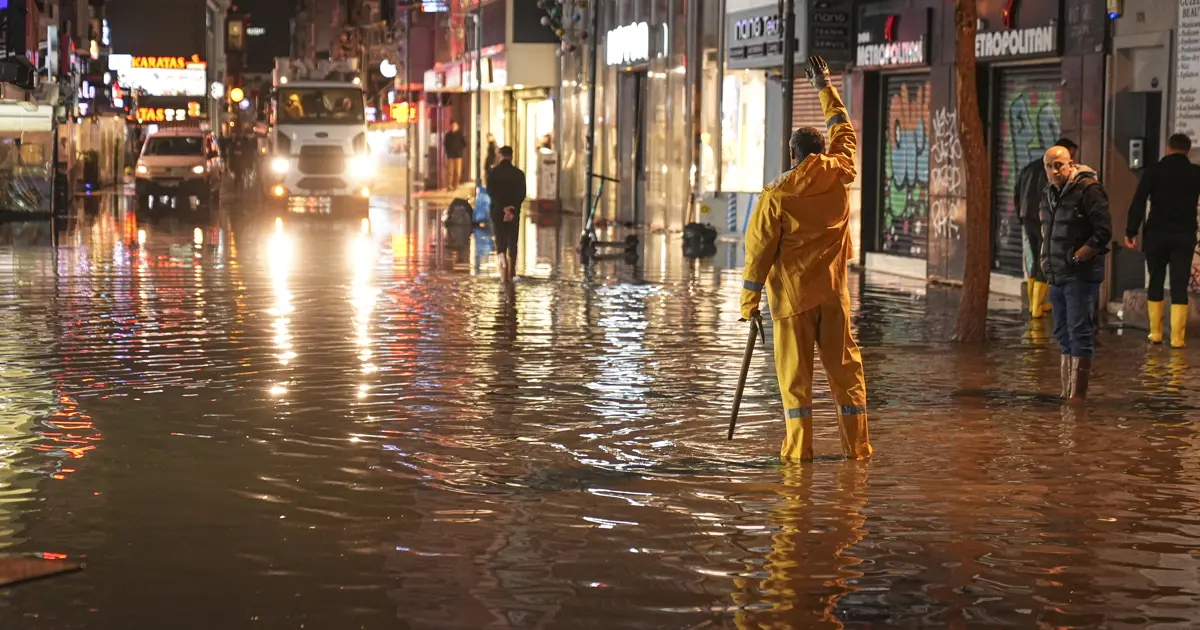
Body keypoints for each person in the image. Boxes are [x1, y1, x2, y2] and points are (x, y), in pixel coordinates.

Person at [740, 56, 871, 462]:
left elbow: (758, 253)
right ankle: (858, 451)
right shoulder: (841, 172)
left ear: (792, 153)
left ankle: (799, 458)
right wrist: (824, 85)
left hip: (792, 303)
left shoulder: (777, 194)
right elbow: (845, 130)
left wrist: (749, 305)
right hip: (834, 298)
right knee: (847, 377)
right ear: (822, 149)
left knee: (795, 385)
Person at [1040, 145, 1112, 403]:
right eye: (1049, 166)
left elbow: (1103, 233)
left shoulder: (1089, 190)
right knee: (1062, 332)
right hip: (1057, 273)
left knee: (1080, 331)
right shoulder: (1049, 193)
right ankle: (1066, 391)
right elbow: (1046, 231)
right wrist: (1045, 261)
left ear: (1071, 163)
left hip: (1080, 275)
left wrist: (1079, 255)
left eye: (1059, 164)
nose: (1054, 170)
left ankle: (1077, 398)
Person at [1124, 133, 1200, 349]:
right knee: (1179, 284)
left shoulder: (1154, 171)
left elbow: (1138, 201)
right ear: (1188, 151)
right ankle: (1177, 338)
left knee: (1155, 280)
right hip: (1184, 236)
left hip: (1156, 235)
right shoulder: (1195, 173)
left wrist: (1131, 230)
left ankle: (1156, 333)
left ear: (1168, 148)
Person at [1015, 137, 1077, 318]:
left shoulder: (1029, 167)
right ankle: (1036, 307)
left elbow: (1016, 192)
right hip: (1044, 220)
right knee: (1045, 259)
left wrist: (1022, 215)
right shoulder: (1052, 172)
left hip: (1027, 217)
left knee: (1035, 258)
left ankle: (1034, 304)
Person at [485, 146, 526, 281]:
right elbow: (522, 193)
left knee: (500, 241)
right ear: (511, 156)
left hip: (498, 211)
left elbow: (491, 192)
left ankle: (504, 272)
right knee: (512, 241)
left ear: (500, 156)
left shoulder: (493, 173)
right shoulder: (519, 174)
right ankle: (512, 271)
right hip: (513, 211)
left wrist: (502, 207)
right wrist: (510, 208)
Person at [443, 121, 466, 191]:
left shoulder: (460, 135)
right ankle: (449, 185)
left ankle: (456, 185)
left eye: (454, 126)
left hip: (458, 156)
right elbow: (445, 144)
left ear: (457, 127)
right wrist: (447, 152)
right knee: (450, 172)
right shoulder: (448, 135)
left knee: (458, 172)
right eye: (452, 126)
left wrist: (460, 150)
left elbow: (464, 144)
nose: (453, 127)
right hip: (450, 156)